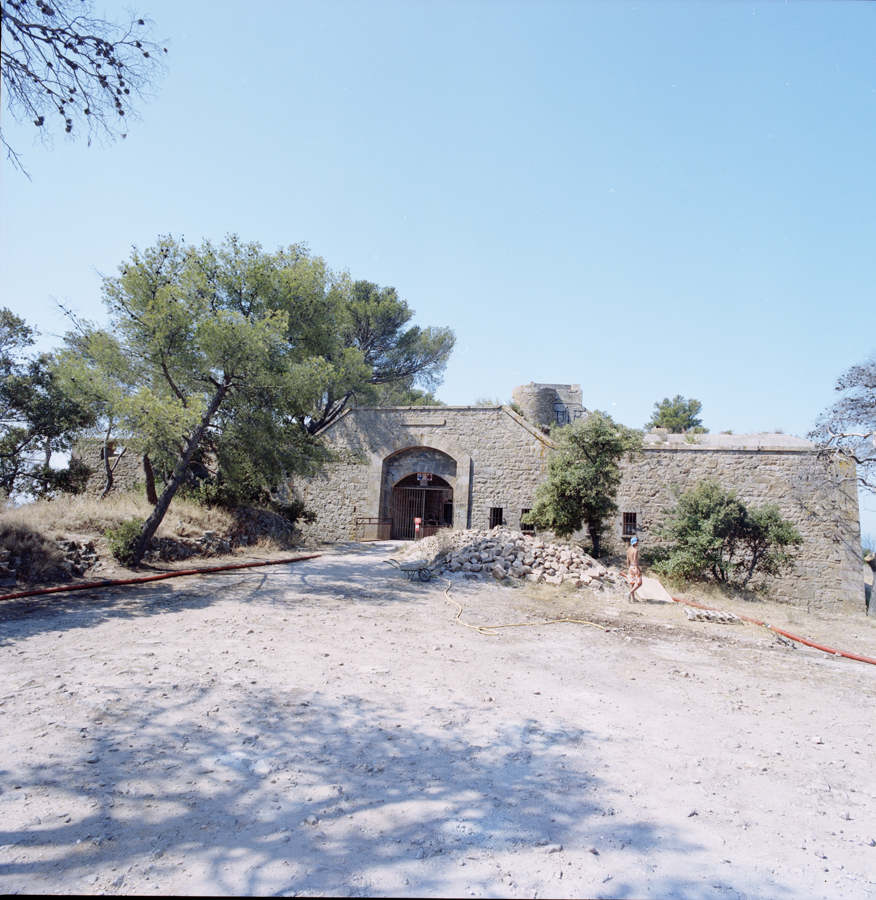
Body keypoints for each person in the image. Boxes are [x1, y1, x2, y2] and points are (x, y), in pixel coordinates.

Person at [626, 535, 642, 602]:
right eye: (637, 541)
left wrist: (629, 567)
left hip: (631, 567)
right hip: (635, 566)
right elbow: (635, 560)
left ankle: (633, 598)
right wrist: (638, 569)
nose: (638, 543)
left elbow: (627, 560)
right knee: (639, 583)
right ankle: (629, 593)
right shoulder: (635, 550)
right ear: (635, 542)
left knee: (632, 582)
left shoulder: (629, 550)